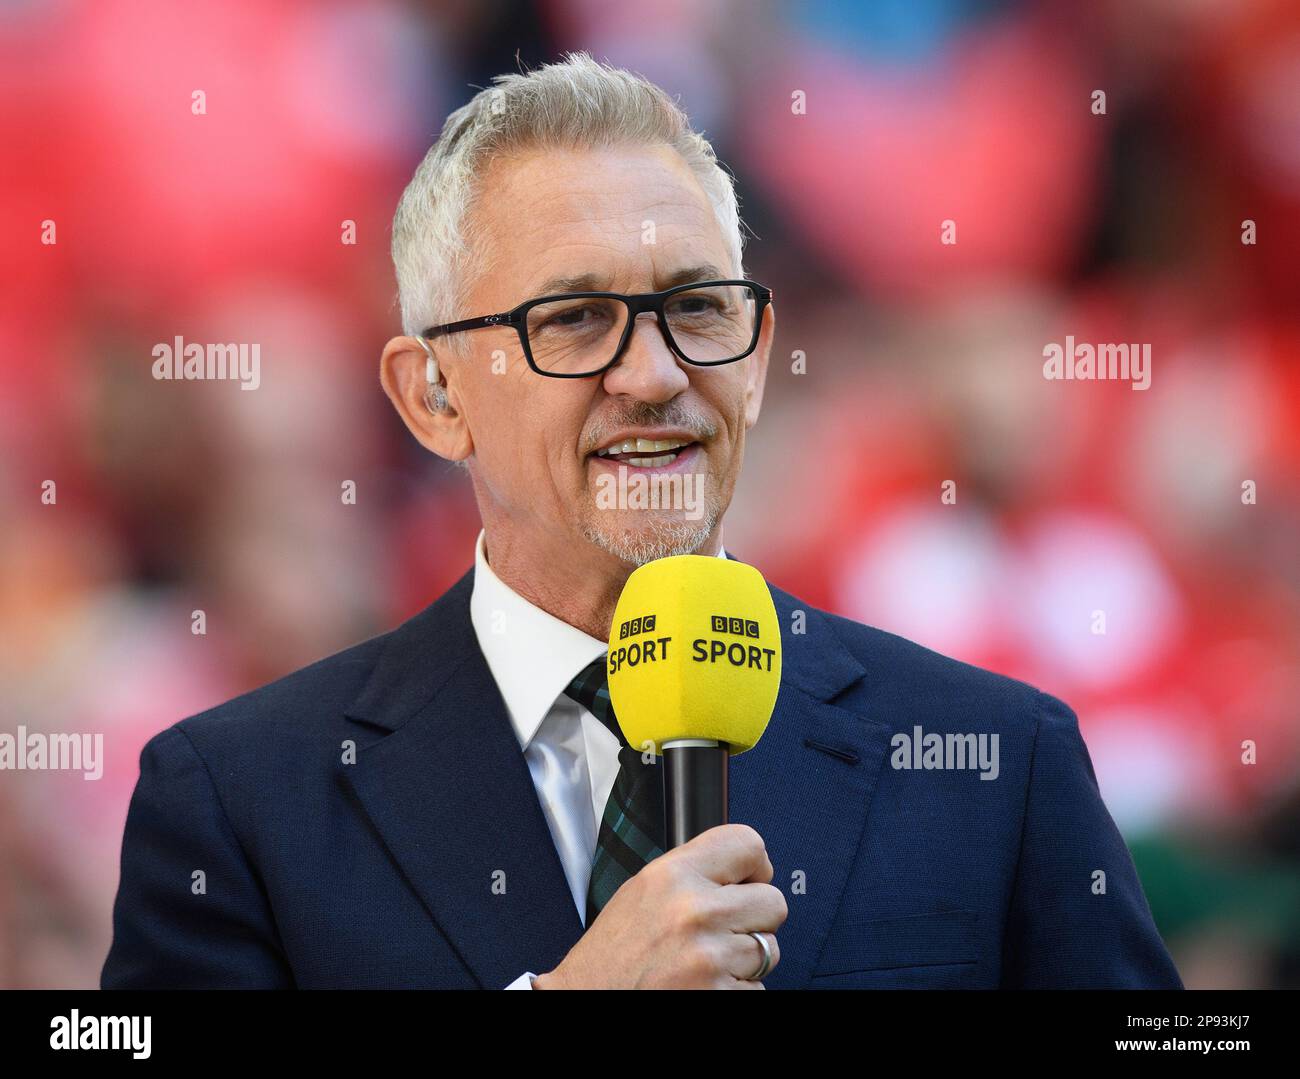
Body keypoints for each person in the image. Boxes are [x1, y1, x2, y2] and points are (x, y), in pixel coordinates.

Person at [102, 52, 1181, 990]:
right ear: (433, 394)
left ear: (756, 364)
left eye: (697, 308)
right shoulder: (238, 803)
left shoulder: (998, 760)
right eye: (573, 319)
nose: (656, 374)